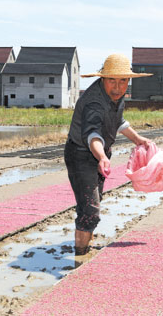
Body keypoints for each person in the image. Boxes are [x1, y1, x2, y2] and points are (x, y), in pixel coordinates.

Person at [64, 53, 152, 256]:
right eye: (112, 80)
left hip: (101, 153)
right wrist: (102, 157)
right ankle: (80, 254)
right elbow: (92, 135)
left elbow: (118, 121)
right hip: (81, 153)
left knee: (92, 201)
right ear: (103, 79)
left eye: (123, 81)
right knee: (90, 210)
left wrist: (138, 139)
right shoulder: (93, 102)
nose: (118, 86)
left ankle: (84, 239)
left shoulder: (116, 97)